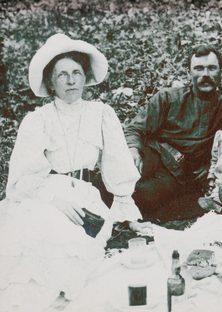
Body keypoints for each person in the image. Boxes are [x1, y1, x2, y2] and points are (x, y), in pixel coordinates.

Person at [0, 34, 151, 311]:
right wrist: (53, 200)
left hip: (86, 198)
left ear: (85, 77)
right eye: (62, 75)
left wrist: (129, 217)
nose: (70, 81)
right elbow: (21, 182)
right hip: (45, 197)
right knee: (38, 245)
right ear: (51, 82)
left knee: (76, 251)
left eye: (76, 73)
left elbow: (118, 168)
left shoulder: (102, 114)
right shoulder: (37, 120)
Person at [124, 45, 222, 223]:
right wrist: (133, 149)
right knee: (120, 177)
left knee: (145, 198)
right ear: (189, 73)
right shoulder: (167, 98)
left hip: (177, 174)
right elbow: (135, 128)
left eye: (211, 68)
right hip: (154, 155)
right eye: (198, 68)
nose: (205, 74)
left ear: (221, 72)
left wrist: (212, 165)